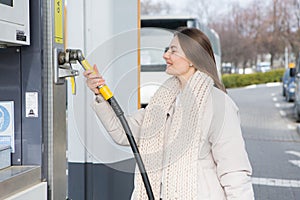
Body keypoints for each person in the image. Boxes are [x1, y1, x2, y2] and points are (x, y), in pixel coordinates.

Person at [84, 27, 254, 200]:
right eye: (167, 50)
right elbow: (123, 133)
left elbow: (234, 170)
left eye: (173, 51)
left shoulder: (219, 103)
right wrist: (100, 93)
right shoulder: (163, 100)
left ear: (193, 59)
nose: (166, 55)